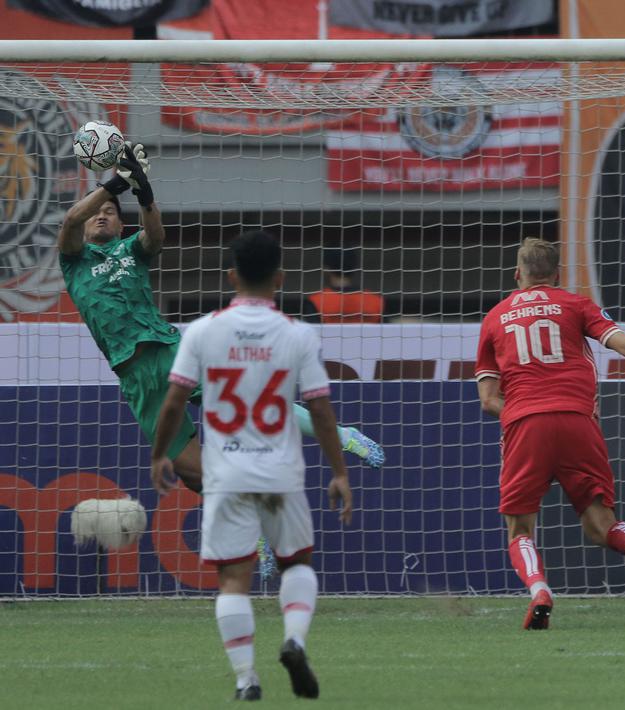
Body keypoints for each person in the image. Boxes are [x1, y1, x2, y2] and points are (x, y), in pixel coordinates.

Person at [56, 144, 385, 492]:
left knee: (253, 403)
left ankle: (343, 436)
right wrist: (115, 185)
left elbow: (155, 236)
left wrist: (144, 193)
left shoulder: (129, 250)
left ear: (122, 224)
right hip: (133, 374)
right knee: (190, 472)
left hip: (170, 351)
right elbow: (72, 220)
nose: (101, 215)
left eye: (109, 211)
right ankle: (250, 527)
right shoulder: (74, 259)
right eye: (96, 211)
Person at [150, 230, 353, 700]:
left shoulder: (202, 331)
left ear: (231, 275)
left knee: (233, 579)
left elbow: (175, 400)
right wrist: (339, 471)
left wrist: (161, 452)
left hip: (226, 474)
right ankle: (294, 640)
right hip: (280, 473)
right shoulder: (298, 333)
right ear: (280, 278)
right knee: (297, 563)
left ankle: (246, 679)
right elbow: (320, 409)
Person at [475, 237, 625, 629]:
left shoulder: (495, 317)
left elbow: (489, 398)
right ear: (557, 275)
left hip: (525, 424)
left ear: (517, 274)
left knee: (520, 527)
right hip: (578, 421)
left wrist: (522, 416)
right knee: (601, 524)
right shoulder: (575, 304)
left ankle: (540, 590)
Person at [308, 247, 385, 324]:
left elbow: (312, 334)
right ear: (354, 267)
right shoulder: (376, 300)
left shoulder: (316, 300)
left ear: (326, 268)